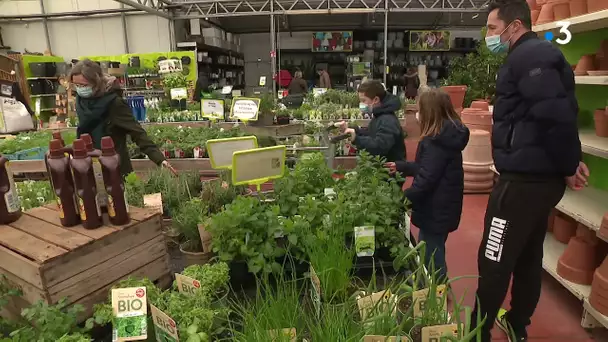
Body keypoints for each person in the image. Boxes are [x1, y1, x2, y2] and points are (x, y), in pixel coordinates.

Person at [470, 1, 589, 341]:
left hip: (521, 182)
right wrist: (568, 162)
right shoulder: (532, 56)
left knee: (493, 259)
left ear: (515, 25)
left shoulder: (529, 56)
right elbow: (555, 113)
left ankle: (478, 332)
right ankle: (517, 323)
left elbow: (554, 115)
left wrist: (568, 165)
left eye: (493, 29)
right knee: (527, 255)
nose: (489, 36)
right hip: (537, 179)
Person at [387, 89, 469, 282]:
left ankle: (439, 289)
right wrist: (401, 166)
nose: (417, 114)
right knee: (435, 246)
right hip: (445, 205)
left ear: (429, 112)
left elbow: (426, 179)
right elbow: (428, 168)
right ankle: (436, 286)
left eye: (419, 110)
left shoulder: (435, 142)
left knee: (432, 253)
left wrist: (403, 199)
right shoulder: (446, 137)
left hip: (434, 208)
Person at [69, 59, 177, 177]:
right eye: (77, 85)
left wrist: (159, 159)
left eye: (84, 85)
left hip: (114, 165)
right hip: (89, 163)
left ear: (96, 82)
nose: (80, 89)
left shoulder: (114, 103)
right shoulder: (82, 100)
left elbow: (137, 132)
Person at [340, 79, 406, 163]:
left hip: (388, 172)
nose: (361, 104)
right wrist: (354, 130)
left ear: (376, 100)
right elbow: (372, 134)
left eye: (363, 100)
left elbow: (380, 146)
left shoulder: (387, 120)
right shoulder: (380, 115)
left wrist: (357, 139)